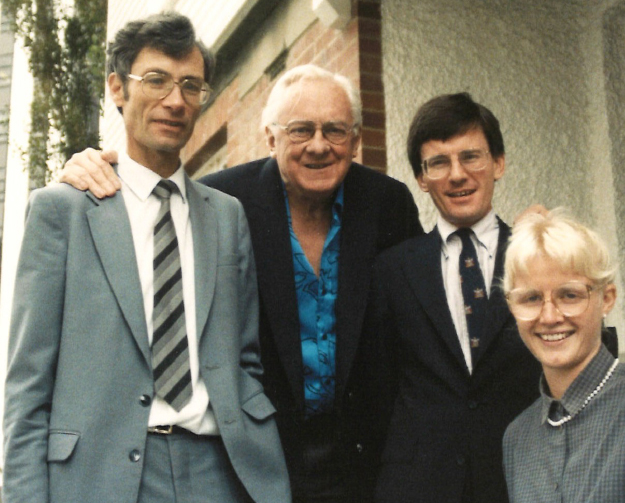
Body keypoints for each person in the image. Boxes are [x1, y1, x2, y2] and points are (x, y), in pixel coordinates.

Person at [57, 64, 423, 502]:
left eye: (336, 131)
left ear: (357, 140)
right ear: (270, 138)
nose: (320, 146)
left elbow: (420, 316)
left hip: (365, 463)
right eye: (300, 130)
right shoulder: (221, 204)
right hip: (257, 462)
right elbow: (145, 218)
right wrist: (87, 166)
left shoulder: (388, 204)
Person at [3, 12, 290, 503]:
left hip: (221, 471)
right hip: (100, 476)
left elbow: (244, 357)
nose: (174, 100)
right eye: (156, 80)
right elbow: (29, 385)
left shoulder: (226, 216)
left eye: (190, 85)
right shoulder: (63, 211)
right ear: (117, 87)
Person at [366, 92, 543, 503]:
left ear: (498, 163)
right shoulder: (392, 271)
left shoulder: (536, 258)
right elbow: (378, 391)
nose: (457, 175)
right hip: (418, 488)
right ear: (421, 178)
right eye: (439, 163)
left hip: (522, 480)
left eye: (471, 157)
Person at [502, 210, 624, 503]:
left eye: (569, 295)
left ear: (606, 299)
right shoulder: (518, 437)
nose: (549, 316)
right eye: (531, 298)